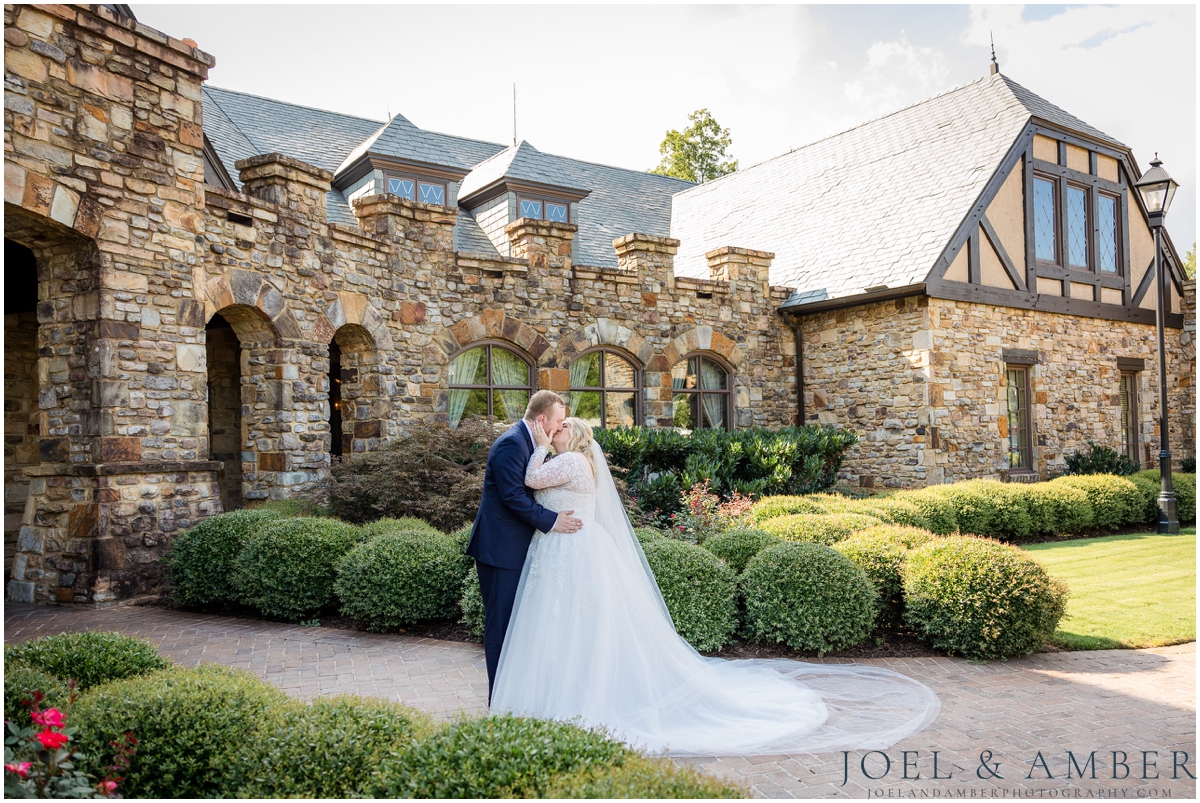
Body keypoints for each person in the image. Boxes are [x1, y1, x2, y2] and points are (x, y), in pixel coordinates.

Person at [489, 417, 941, 757]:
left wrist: (540, 445)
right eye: (557, 424)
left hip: (570, 549)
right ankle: (564, 689)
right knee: (576, 622)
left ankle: (563, 695)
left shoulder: (565, 458)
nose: (559, 429)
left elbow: (530, 481)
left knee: (569, 621)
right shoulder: (577, 460)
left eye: (565, 426)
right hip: (570, 546)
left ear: (576, 437)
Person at [465, 390, 582, 703]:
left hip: (518, 549)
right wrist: (552, 521)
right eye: (558, 421)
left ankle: (514, 698)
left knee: (517, 628)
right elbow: (513, 497)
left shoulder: (532, 444)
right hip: (500, 551)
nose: (560, 428)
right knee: (500, 627)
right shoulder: (511, 444)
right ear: (542, 419)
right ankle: (498, 702)